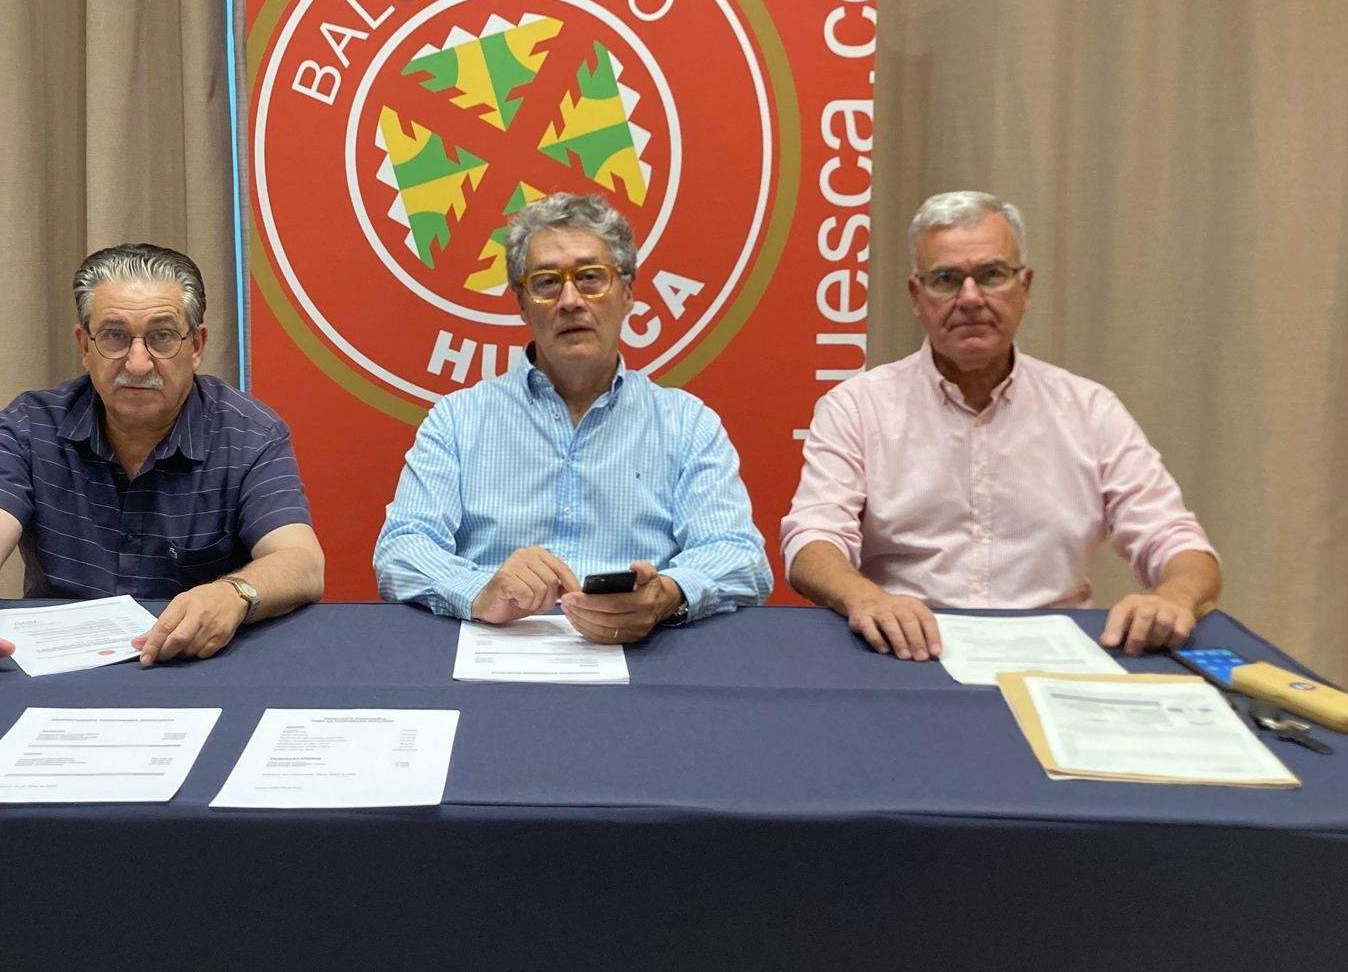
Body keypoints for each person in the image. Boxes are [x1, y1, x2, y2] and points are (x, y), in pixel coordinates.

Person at [782, 190, 1219, 660]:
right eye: (946, 279)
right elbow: (812, 539)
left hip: (1055, 655)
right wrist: (865, 598)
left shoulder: (1090, 410)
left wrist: (1172, 597)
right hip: (904, 650)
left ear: (1025, 287)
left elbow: (1176, 540)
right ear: (917, 296)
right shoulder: (857, 407)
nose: (970, 298)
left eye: (991, 275)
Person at [0, 242, 324, 679]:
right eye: (115, 336)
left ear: (196, 345)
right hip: (58, 675)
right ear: (84, 345)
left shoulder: (249, 432)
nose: (138, 364)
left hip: (195, 667)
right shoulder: (32, 426)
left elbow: (300, 561)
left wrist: (234, 594)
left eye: (161, 336)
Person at [374, 193, 770, 643]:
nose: (570, 300)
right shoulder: (459, 420)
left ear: (628, 293)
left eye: (590, 278)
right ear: (522, 304)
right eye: (546, 282)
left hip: (642, 655)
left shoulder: (686, 423)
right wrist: (479, 592)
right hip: (495, 653)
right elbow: (401, 548)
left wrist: (667, 594)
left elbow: (740, 556)